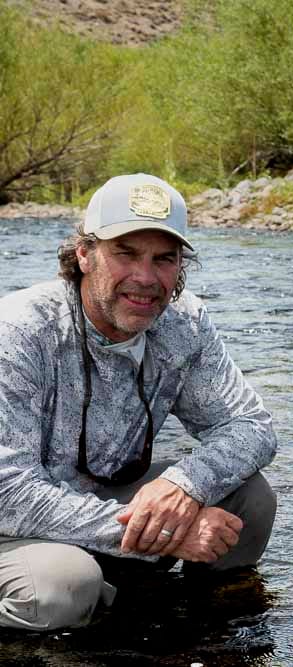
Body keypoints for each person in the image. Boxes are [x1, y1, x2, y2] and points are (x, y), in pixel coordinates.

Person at [0, 174, 278, 631]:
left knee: (248, 497)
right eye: (125, 253)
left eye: (163, 259)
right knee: (61, 588)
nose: (146, 279)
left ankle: (201, 623)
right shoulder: (20, 332)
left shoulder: (183, 324)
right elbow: (9, 493)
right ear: (84, 255)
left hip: (92, 499)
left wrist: (186, 486)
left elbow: (251, 426)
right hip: (11, 521)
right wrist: (167, 534)